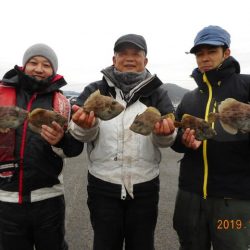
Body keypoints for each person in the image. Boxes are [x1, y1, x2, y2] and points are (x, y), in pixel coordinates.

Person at [69, 34, 176, 250]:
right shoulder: (95, 90)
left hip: (144, 186)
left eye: (136, 53)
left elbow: (167, 140)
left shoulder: (158, 93)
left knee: (142, 244)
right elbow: (80, 133)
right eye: (122, 53)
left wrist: (165, 134)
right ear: (113, 59)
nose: (129, 58)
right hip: (103, 185)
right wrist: (83, 126)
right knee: (105, 244)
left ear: (145, 61)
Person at [171, 25, 250, 250]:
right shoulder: (189, 98)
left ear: (226, 53)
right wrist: (183, 142)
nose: (204, 58)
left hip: (234, 198)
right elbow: (177, 143)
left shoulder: (246, 85)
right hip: (190, 195)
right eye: (200, 54)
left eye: (211, 51)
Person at [0, 43, 84, 250]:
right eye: (33, 63)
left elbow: (74, 148)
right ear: (24, 65)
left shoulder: (62, 103)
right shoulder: (2, 94)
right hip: (6, 197)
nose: (39, 68)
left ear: (53, 70)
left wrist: (61, 140)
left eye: (46, 65)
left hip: (49, 198)